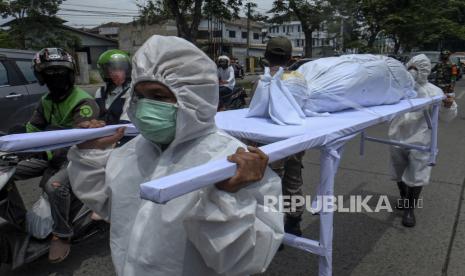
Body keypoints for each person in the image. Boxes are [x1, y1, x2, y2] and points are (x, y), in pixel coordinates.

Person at [67, 35, 284, 276]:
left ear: (194, 98)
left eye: (159, 97)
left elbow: (246, 262)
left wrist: (227, 198)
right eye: (140, 96)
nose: (145, 106)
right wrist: (91, 152)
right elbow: (109, 204)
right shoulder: (132, 151)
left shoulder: (233, 162)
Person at [14, 48, 100, 262]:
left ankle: (62, 234)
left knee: (55, 186)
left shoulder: (83, 102)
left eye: (60, 72)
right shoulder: (46, 101)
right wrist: (17, 147)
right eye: (49, 73)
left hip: (76, 157)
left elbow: (81, 139)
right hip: (49, 155)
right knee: (8, 170)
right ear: (41, 77)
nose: (55, 78)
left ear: (70, 74)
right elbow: (33, 129)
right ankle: (16, 219)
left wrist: (42, 146)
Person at [389, 54, 457, 227]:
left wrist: (448, 106)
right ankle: (404, 199)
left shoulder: (433, 91)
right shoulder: (399, 89)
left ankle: (409, 209)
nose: (412, 72)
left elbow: (446, 117)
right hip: (397, 136)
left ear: (425, 70)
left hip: (420, 140)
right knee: (398, 171)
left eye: (416, 69)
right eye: (410, 67)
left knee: (417, 174)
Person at [251, 37, 307, 236]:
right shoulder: (299, 79)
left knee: (269, 184)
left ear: (266, 56)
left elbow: (254, 113)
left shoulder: (261, 81)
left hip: (268, 143)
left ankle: (273, 229)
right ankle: (294, 221)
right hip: (295, 140)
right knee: (293, 178)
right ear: (291, 58)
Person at [95, 49, 132, 125]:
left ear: (127, 71)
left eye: (121, 69)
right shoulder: (100, 92)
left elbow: (125, 122)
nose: (117, 74)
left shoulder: (131, 91)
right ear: (106, 71)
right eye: (113, 69)